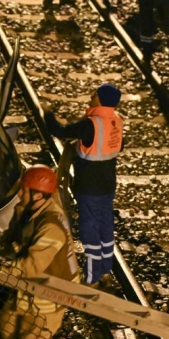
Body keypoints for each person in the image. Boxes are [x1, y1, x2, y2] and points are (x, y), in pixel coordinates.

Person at [0, 165, 81, 339]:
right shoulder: (28, 210)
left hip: (51, 293)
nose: (19, 192)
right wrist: (0, 245)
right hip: (30, 285)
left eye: (23, 189)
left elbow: (31, 267)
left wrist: (1, 268)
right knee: (7, 328)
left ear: (38, 196)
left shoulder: (51, 228)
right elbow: (14, 235)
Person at [45, 84, 124, 288]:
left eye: (95, 94)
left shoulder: (91, 124)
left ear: (102, 99)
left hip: (89, 186)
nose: (91, 96)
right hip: (108, 185)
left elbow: (59, 132)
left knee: (90, 229)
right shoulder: (116, 121)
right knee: (105, 226)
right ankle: (106, 270)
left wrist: (47, 114)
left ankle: (92, 278)